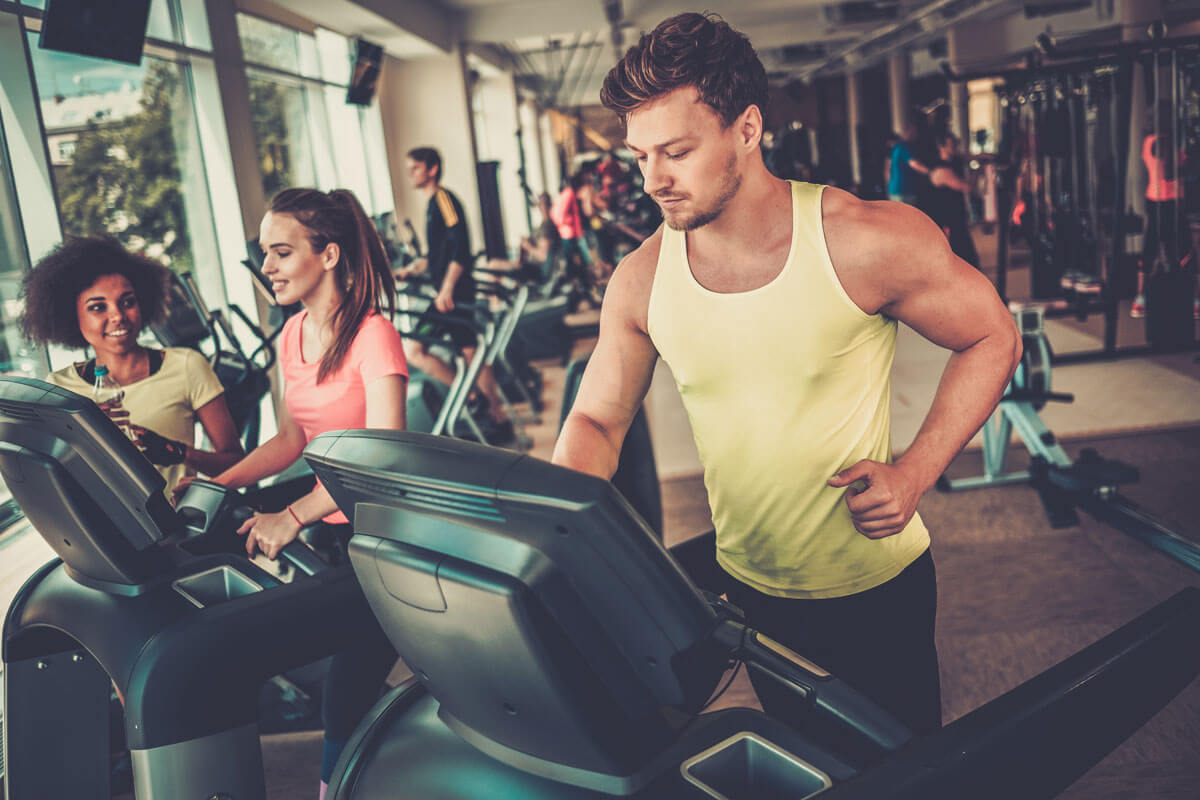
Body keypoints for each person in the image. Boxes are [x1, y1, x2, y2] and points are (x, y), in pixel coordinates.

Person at [552, 12, 1021, 735]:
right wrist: (557, 530)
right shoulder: (641, 279)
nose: (653, 181)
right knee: (808, 763)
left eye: (676, 151)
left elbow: (993, 335)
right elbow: (596, 419)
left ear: (747, 128)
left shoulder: (863, 240)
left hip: (874, 587)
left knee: (902, 775)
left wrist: (915, 471)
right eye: (640, 156)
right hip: (747, 586)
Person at [206, 187, 408, 800]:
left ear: (328, 254)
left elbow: (380, 460)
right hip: (336, 530)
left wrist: (291, 515)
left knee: (343, 700)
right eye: (264, 251)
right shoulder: (292, 334)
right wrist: (218, 484)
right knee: (343, 685)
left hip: (386, 535)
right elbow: (292, 438)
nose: (266, 266)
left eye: (281, 251)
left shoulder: (373, 335)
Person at [19, 235, 243, 497]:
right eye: (98, 307)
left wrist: (177, 452)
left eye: (127, 302)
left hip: (172, 518)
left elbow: (235, 462)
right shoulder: (59, 388)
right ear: (72, 316)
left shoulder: (186, 365)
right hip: (98, 521)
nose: (117, 316)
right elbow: (49, 477)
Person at [395, 146, 513, 442]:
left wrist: (447, 288)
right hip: (448, 293)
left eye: (415, 168)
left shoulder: (444, 200)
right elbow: (438, 254)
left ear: (432, 169)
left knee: (419, 351)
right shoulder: (432, 204)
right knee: (471, 353)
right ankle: (492, 412)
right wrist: (411, 269)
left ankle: (479, 402)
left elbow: (460, 250)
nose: (410, 174)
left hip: (451, 296)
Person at [919, 133, 980, 269]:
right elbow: (967, 187)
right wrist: (979, 170)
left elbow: (967, 156)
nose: (955, 148)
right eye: (952, 145)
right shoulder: (941, 169)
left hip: (956, 218)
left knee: (966, 258)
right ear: (942, 147)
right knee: (961, 258)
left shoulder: (953, 161)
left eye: (956, 144)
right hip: (946, 220)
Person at [888, 119, 929, 204]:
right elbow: (915, 164)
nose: (917, 134)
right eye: (915, 131)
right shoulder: (904, 147)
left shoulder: (897, 146)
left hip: (897, 189)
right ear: (909, 131)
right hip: (904, 190)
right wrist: (931, 173)